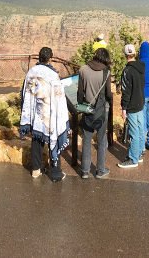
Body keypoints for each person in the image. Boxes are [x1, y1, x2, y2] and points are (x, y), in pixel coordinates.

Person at [19, 47, 69, 181]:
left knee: (37, 139)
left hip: (36, 113)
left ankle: (36, 169)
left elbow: (25, 93)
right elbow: (59, 97)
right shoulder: (52, 75)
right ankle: (55, 172)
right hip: (49, 114)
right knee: (54, 140)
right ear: (50, 58)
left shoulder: (31, 71)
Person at [77, 47, 113, 179]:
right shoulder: (106, 72)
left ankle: (85, 171)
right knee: (102, 139)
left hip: (87, 108)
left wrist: (81, 105)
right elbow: (108, 94)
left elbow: (80, 92)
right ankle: (100, 170)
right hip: (102, 110)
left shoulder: (83, 69)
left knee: (86, 139)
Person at [118, 43, 147, 168]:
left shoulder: (127, 71)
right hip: (140, 103)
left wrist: (124, 108)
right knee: (140, 130)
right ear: (134, 54)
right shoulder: (142, 67)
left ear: (125, 55)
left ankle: (133, 159)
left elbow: (126, 91)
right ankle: (139, 153)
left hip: (132, 105)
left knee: (134, 133)